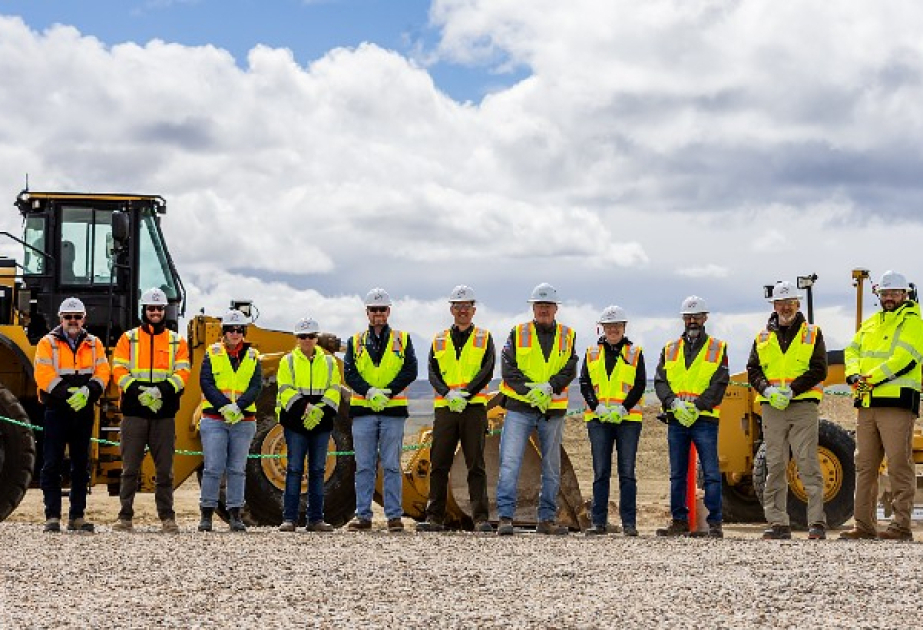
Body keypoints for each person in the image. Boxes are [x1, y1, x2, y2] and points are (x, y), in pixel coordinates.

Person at [840, 270, 923, 541]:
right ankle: (863, 525)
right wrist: (853, 375)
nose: (889, 298)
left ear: (904, 295)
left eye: (894, 293)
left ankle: (901, 526)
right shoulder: (872, 322)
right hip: (867, 402)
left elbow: (904, 358)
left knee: (899, 463)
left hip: (896, 403)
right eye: (885, 293)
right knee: (864, 464)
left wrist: (868, 379)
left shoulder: (913, 322)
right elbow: (852, 350)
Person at [747, 281, 828, 540]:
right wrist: (767, 390)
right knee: (775, 465)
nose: (785, 307)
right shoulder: (762, 337)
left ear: (798, 304)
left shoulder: (812, 333)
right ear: (774, 306)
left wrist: (793, 390)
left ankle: (816, 523)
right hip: (773, 408)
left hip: (802, 405)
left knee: (807, 463)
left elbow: (819, 369)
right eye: (781, 303)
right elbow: (753, 370)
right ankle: (778, 523)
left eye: (790, 303)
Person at [496, 282, 578, 536]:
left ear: (556, 308)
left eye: (548, 306)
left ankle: (546, 519)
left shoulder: (568, 335)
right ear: (533, 308)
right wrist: (529, 391)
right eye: (539, 305)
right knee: (510, 462)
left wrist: (550, 387)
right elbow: (508, 367)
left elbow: (570, 367)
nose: (544, 309)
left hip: (552, 411)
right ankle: (506, 517)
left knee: (551, 467)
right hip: (520, 407)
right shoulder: (518, 333)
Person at [417, 285, 496, 533]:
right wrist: (447, 393)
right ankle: (434, 517)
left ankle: (480, 518)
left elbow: (487, 369)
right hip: (446, 408)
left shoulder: (484, 337)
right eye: (458, 306)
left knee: (476, 465)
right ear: (451, 309)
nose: (462, 311)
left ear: (473, 310)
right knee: (439, 463)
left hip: (472, 408)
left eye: (467, 307)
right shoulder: (439, 339)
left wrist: (466, 393)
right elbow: (432, 371)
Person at [111, 288, 190, 533]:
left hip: (164, 414)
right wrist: (139, 392)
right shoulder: (129, 338)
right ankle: (125, 517)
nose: (154, 312)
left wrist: (162, 391)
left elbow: (183, 372)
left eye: (158, 308)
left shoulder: (177, 341)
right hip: (134, 413)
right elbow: (119, 370)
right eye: (150, 308)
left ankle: (167, 517)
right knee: (130, 469)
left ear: (164, 310)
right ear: (143, 311)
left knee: (165, 470)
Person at [343, 288, 418, 533]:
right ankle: (363, 515)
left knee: (391, 465)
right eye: (374, 310)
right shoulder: (355, 341)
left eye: (382, 309)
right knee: (364, 465)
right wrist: (369, 392)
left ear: (389, 311)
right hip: (363, 410)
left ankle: (394, 516)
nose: (378, 314)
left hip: (392, 410)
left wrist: (387, 391)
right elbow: (350, 373)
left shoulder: (402, 339)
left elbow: (410, 370)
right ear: (367, 312)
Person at [33, 297, 110, 533]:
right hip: (57, 410)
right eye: (68, 317)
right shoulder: (47, 343)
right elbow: (43, 374)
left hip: (84, 411)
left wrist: (89, 390)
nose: (73, 321)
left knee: (80, 464)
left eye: (77, 317)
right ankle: (52, 516)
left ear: (84, 319)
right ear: (61, 319)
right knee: (52, 463)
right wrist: (68, 394)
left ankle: (77, 515)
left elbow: (103, 371)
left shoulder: (95, 344)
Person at [654, 295, 729, 538]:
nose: (692, 321)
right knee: (677, 473)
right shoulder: (670, 349)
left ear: (705, 318)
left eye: (696, 316)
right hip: (677, 419)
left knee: (710, 472)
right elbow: (660, 381)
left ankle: (715, 523)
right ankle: (679, 520)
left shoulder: (718, 348)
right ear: (683, 319)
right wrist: (673, 403)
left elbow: (720, 382)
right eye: (688, 317)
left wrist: (697, 406)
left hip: (704, 418)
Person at [579, 305, 646, 537]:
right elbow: (585, 382)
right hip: (598, 420)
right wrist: (596, 406)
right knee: (601, 472)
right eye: (609, 326)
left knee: (627, 472)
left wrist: (623, 408)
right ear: (602, 328)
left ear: (624, 327)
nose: (613, 330)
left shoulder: (634, 353)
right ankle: (599, 522)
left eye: (617, 326)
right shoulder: (592, 353)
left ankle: (629, 524)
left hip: (627, 420)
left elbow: (639, 384)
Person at [197, 309, 263, 533]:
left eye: (239, 330)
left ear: (243, 332)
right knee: (213, 468)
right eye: (230, 330)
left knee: (237, 469)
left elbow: (256, 386)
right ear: (223, 332)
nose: (235, 334)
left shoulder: (253, 356)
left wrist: (239, 406)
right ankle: (206, 514)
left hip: (243, 421)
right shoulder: (212, 353)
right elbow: (206, 382)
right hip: (215, 419)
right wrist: (224, 406)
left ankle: (236, 514)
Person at [276, 317, 342, 533]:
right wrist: (306, 408)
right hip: (295, 422)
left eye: (311, 336)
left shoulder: (330, 362)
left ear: (317, 338)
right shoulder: (287, 361)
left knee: (317, 470)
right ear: (297, 338)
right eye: (303, 336)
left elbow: (334, 388)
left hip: (321, 424)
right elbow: (285, 389)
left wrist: (320, 410)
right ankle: (290, 519)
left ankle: (315, 519)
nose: (307, 340)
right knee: (294, 469)